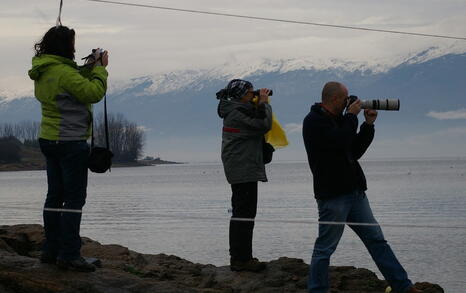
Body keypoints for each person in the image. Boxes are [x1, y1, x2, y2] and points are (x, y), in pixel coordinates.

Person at [302, 82, 422, 293]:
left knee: (376, 240)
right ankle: (317, 290)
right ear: (335, 99)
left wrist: (368, 125)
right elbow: (339, 141)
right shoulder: (314, 122)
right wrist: (352, 117)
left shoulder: (341, 119)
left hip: (355, 192)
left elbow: (353, 150)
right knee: (325, 248)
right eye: (346, 98)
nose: (350, 102)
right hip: (333, 195)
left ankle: (403, 287)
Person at [28, 26, 109, 272]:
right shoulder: (63, 72)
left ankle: (50, 250)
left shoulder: (45, 69)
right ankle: (70, 254)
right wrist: (101, 70)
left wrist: (89, 67)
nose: (75, 48)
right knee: (74, 199)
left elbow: (72, 80)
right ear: (65, 46)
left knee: (54, 196)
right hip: (70, 141)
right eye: (73, 43)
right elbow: (93, 93)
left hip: (48, 139)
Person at [216, 79, 272, 272]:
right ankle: (241, 259)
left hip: (242, 166)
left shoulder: (236, 110)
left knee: (244, 213)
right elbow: (263, 124)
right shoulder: (236, 113)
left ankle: (242, 257)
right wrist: (263, 103)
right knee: (244, 214)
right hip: (242, 168)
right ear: (241, 96)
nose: (253, 96)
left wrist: (257, 103)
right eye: (250, 93)